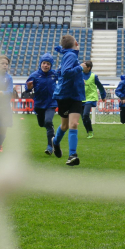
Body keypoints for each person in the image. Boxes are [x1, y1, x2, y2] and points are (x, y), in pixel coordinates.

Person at [52, 35, 91, 166]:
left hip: (75, 96)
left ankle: (72, 155)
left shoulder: (71, 54)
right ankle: (55, 142)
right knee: (64, 126)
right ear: (75, 43)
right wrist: (80, 68)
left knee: (73, 124)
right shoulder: (71, 56)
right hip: (65, 95)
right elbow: (66, 72)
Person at [25, 53, 58, 155]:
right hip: (39, 104)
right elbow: (27, 89)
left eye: (48, 64)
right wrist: (29, 87)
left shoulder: (54, 74)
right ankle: (51, 131)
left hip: (51, 103)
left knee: (48, 122)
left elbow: (64, 79)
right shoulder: (34, 75)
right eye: (44, 63)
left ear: (51, 65)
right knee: (41, 124)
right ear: (40, 64)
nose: (45, 65)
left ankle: (50, 146)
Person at [82, 60, 107, 139]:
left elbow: (100, 86)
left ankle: (90, 131)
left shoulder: (94, 76)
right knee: (83, 117)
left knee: (85, 114)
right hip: (80, 97)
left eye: (84, 66)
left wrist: (103, 96)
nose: (81, 67)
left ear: (89, 68)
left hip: (90, 97)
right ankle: (88, 131)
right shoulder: (78, 75)